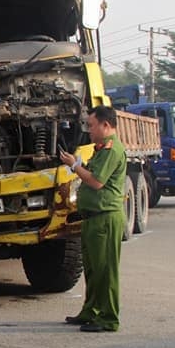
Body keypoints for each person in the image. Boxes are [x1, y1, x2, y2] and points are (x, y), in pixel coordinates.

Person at [58, 106, 127, 333]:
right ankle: (91, 311)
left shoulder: (111, 149)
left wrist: (75, 166)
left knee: (106, 271)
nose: (89, 130)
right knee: (93, 269)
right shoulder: (100, 149)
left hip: (105, 218)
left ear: (106, 125)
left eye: (92, 125)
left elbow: (97, 182)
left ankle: (108, 318)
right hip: (93, 218)